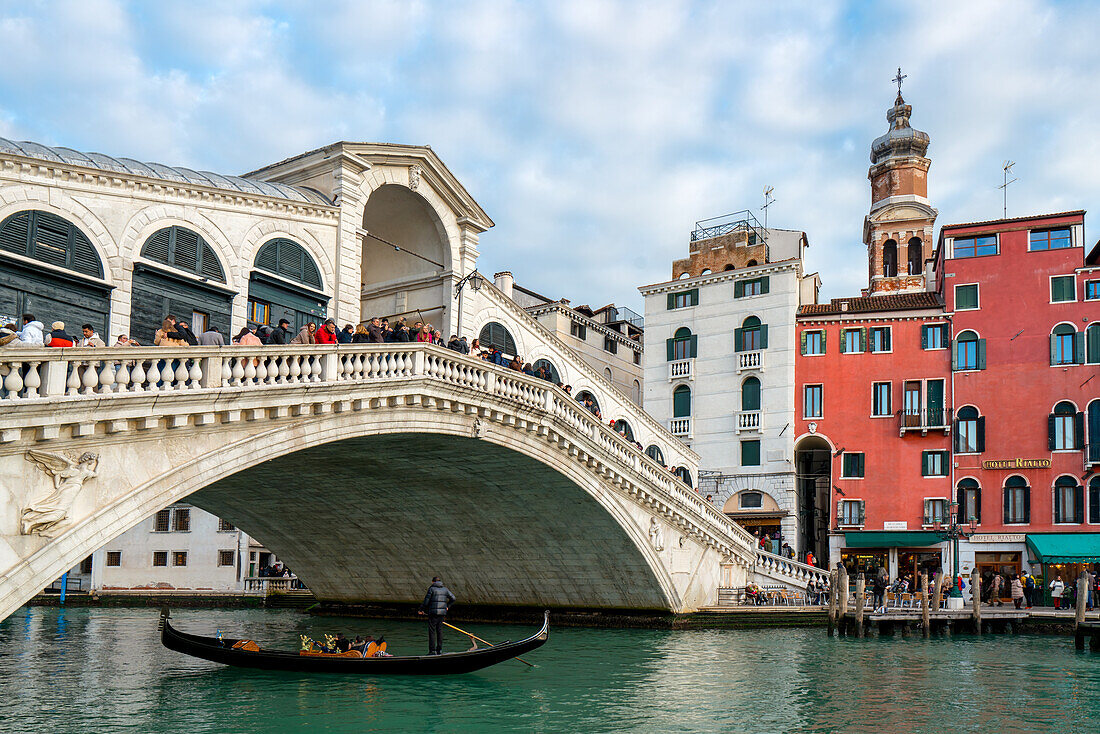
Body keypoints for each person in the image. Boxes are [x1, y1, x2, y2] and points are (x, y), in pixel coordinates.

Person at [418, 576, 455, 655]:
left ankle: (432, 651)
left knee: (432, 631)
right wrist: (447, 607)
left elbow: (426, 602)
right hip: (442, 613)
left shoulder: (431, 589)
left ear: (433, 582)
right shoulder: (445, 589)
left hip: (433, 613)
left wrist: (421, 610)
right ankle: (439, 650)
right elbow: (453, 598)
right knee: (439, 631)